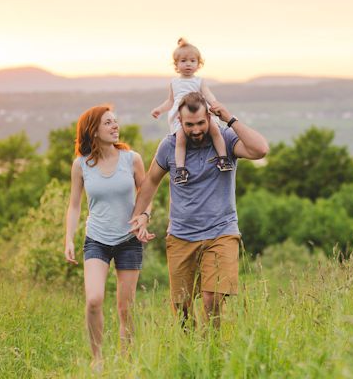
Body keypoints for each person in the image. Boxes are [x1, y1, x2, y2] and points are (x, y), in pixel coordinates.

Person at [130, 92, 269, 329]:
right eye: (189, 124)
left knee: (212, 299)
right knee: (182, 307)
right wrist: (140, 216)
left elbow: (260, 150)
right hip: (181, 235)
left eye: (201, 123)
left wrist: (231, 119)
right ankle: (192, 353)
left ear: (209, 117)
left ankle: (211, 352)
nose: (195, 130)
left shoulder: (225, 139)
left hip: (221, 232)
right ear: (180, 122)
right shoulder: (169, 146)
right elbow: (151, 181)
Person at [63, 104, 150, 370]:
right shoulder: (81, 165)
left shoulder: (131, 159)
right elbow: (75, 204)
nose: (115, 126)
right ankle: (97, 359)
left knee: (126, 308)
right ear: (94, 130)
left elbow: (146, 196)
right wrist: (68, 238)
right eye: (108, 123)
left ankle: (126, 361)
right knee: (93, 300)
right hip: (97, 240)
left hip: (129, 241)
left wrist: (143, 218)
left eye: (115, 122)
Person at [150, 38, 234, 186]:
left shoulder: (199, 81)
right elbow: (170, 101)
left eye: (192, 60)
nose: (188, 64)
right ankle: (180, 169)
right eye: (183, 61)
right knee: (181, 139)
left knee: (215, 130)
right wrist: (160, 109)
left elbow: (208, 95)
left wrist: (215, 105)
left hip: (199, 112)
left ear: (198, 64)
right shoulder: (174, 82)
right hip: (181, 115)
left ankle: (223, 158)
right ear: (176, 65)